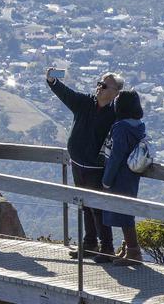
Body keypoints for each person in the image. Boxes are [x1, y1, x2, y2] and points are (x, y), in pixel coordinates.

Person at [48, 68, 122, 262]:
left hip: (96, 168)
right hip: (77, 163)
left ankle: (106, 248)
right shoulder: (85, 103)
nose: (99, 87)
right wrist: (53, 82)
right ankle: (90, 244)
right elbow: (67, 95)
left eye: (104, 85)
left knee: (97, 207)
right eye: (99, 83)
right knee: (85, 205)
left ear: (115, 92)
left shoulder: (115, 114)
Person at [101, 90, 146, 266]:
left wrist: (106, 180)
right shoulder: (139, 125)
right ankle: (128, 249)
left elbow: (116, 155)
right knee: (126, 210)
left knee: (123, 212)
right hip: (132, 174)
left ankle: (134, 252)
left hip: (119, 175)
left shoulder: (120, 127)